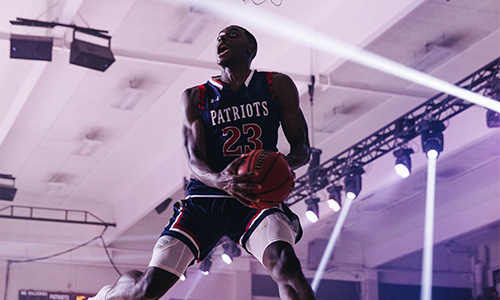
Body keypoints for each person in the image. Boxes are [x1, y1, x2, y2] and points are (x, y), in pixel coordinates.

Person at [90, 25, 316, 300]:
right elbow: (194, 160)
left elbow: (302, 149)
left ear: (250, 49)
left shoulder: (275, 84)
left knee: (286, 265)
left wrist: (281, 166)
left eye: (233, 35)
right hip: (206, 198)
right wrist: (222, 180)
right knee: (145, 292)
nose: (222, 38)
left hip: (252, 197)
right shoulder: (196, 96)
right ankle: (107, 295)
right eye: (219, 37)